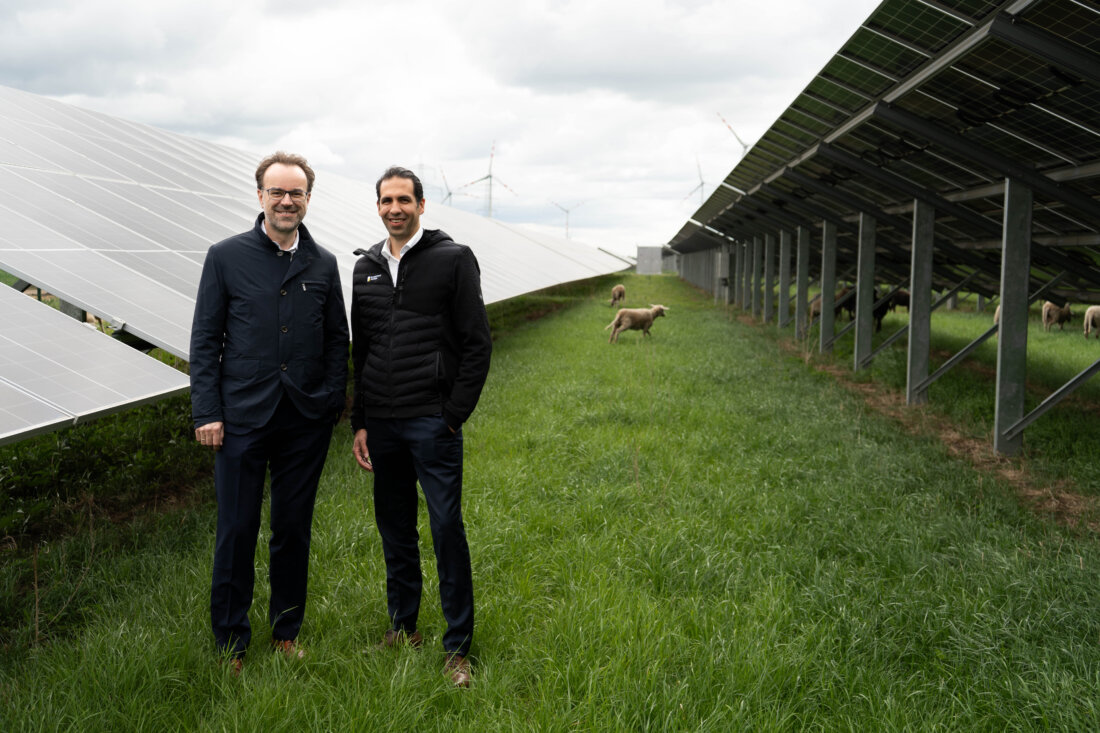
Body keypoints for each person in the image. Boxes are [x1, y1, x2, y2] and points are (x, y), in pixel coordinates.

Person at [190, 151, 349, 673]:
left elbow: (337, 339)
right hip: (240, 418)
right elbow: (205, 339)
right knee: (237, 529)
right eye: (276, 192)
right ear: (260, 196)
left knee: (293, 529)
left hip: (304, 420)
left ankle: (286, 632)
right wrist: (207, 412)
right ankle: (231, 642)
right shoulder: (225, 256)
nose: (286, 201)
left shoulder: (323, 263)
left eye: (295, 193)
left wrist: (330, 401)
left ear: (308, 199)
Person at [350, 166, 492, 687]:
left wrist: (452, 416)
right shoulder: (365, 268)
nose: (395, 209)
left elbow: (477, 343)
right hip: (382, 425)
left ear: (422, 205)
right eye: (386, 200)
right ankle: (403, 626)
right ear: (378, 206)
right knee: (395, 528)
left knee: (445, 529)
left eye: (404, 200)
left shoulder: (453, 259)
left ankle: (457, 648)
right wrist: (360, 421)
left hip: (432, 422)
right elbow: (362, 350)